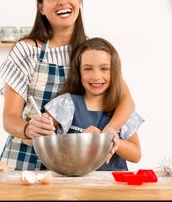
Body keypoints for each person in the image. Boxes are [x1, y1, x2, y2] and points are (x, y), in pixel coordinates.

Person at [0, 0, 135, 170]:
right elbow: (9, 118)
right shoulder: (27, 50)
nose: (62, 2)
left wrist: (108, 133)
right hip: (26, 160)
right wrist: (28, 129)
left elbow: (126, 101)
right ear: (41, 8)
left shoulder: (90, 52)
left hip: (75, 163)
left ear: (79, 1)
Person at [44, 37, 143, 170]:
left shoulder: (120, 111)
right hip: (76, 186)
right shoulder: (66, 103)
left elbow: (136, 155)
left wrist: (110, 141)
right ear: (78, 71)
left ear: (114, 72)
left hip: (114, 187)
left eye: (104, 68)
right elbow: (42, 139)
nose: (96, 76)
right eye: (88, 69)